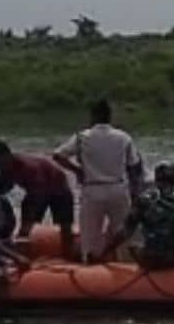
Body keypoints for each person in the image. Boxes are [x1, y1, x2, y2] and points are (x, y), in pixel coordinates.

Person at [52, 99, 142, 263]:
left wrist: (77, 170)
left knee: (90, 236)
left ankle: (91, 270)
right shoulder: (123, 137)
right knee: (125, 234)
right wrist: (135, 195)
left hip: (92, 190)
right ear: (109, 116)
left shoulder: (82, 137)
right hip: (118, 189)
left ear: (93, 115)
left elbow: (58, 155)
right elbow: (134, 167)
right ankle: (129, 269)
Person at [0, 140, 74, 249]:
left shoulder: (29, 167)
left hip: (58, 189)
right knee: (27, 217)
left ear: (6, 155)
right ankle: (25, 245)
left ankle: (67, 250)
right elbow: (4, 187)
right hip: (36, 190)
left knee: (63, 225)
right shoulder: (5, 167)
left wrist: (29, 219)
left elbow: (39, 192)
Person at [125, 161, 174, 270]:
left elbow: (126, 232)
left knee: (133, 247)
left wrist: (104, 252)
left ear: (156, 179)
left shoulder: (144, 199)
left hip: (154, 260)